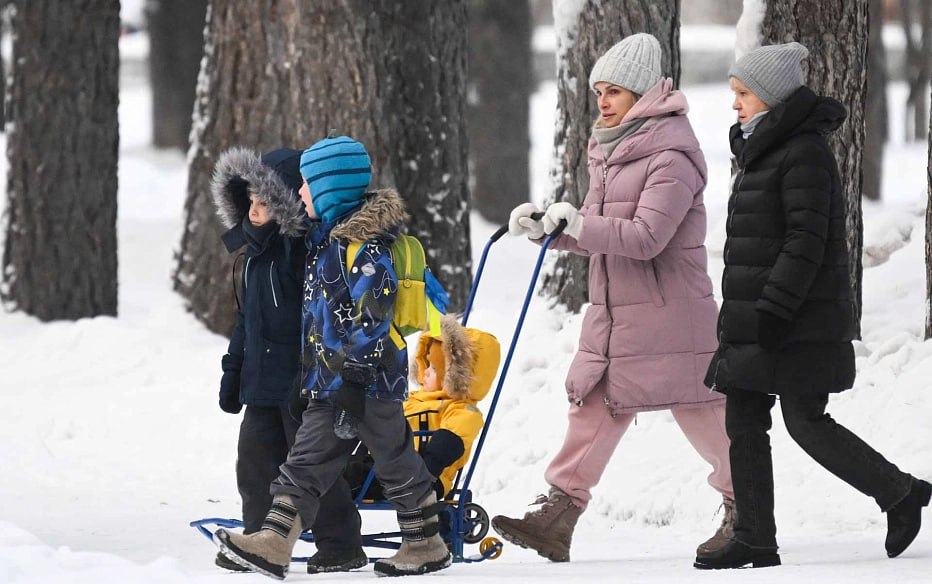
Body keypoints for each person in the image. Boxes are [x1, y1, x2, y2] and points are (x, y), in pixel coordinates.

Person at [493, 32, 734, 563]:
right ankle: (557, 514)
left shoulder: (672, 155)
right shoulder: (614, 148)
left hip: (672, 318)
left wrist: (581, 221)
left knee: (707, 419)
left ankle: (748, 509)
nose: (602, 101)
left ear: (643, 94)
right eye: (599, 90)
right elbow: (601, 232)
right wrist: (549, 231)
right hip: (616, 315)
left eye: (615, 92)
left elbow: (646, 238)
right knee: (592, 406)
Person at [693, 41, 931, 570]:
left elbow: (806, 239)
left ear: (773, 98)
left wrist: (774, 309)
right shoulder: (762, 148)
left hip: (794, 316)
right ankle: (756, 536)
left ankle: (901, 493)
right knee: (745, 418)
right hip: (759, 314)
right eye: (734, 93)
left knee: (805, 420)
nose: (734, 104)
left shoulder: (803, 151)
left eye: (744, 94)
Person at [213, 135, 451, 579]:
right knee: (306, 461)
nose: (299, 194)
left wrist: (357, 380)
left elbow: (373, 317)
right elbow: (316, 323)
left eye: (305, 185)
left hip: (370, 384)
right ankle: (274, 542)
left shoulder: (363, 248)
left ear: (329, 188)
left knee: (394, 458)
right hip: (329, 382)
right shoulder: (324, 244)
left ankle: (425, 542)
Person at [210, 147, 366, 574]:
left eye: (265, 203)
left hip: (302, 382)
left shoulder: (299, 252)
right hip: (262, 382)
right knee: (255, 459)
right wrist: (233, 372)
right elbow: (247, 322)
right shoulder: (251, 257)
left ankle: (341, 545)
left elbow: (319, 318)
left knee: (315, 468)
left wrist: (313, 374)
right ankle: (257, 539)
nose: (255, 212)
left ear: (286, 206)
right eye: (251, 204)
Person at [344, 314, 501, 501]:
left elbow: (451, 440)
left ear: (454, 377)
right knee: (337, 464)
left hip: (420, 478)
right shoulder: (412, 401)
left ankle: (317, 507)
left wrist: (428, 470)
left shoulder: (461, 410)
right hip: (385, 468)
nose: (425, 371)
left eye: (434, 368)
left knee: (346, 475)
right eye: (426, 364)